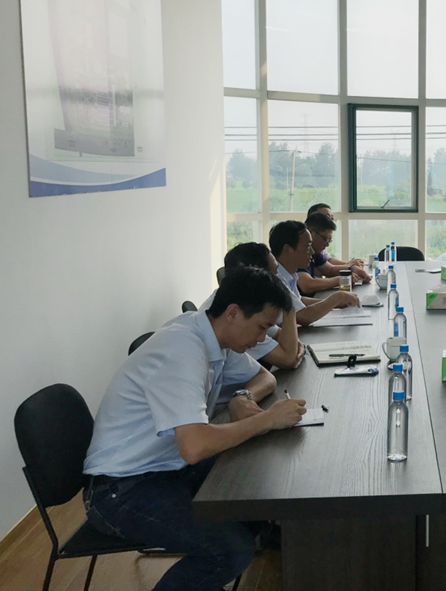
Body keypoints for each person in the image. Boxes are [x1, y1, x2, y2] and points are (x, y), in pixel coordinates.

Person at [83, 267, 308, 591]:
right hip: (120, 490)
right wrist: (266, 419)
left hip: (165, 468)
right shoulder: (183, 348)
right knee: (229, 550)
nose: (263, 339)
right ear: (233, 313)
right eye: (261, 327)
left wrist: (242, 397)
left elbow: (264, 377)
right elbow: (194, 446)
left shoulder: (216, 338)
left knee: (253, 472)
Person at [200, 242, 305, 369]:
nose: (280, 281)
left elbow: (281, 336)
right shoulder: (238, 319)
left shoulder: (247, 304)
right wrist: (289, 307)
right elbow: (288, 359)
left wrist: (296, 345)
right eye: (275, 276)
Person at [269, 220, 359, 326]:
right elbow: (303, 316)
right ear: (288, 249)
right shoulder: (276, 279)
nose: (312, 251)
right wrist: (337, 298)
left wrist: (337, 303)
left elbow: (300, 301)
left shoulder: (289, 274)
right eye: (307, 246)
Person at [297, 211, 369, 295]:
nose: (327, 244)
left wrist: (352, 268)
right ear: (311, 233)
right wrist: (341, 280)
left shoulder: (315, 251)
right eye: (325, 239)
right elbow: (307, 285)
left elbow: (330, 270)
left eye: (329, 241)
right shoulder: (298, 251)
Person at [305, 203, 367, 270]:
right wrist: (349, 265)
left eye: (332, 218)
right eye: (326, 217)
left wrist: (350, 266)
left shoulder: (318, 248)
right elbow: (329, 265)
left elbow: (330, 267)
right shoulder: (303, 249)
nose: (330, 221)